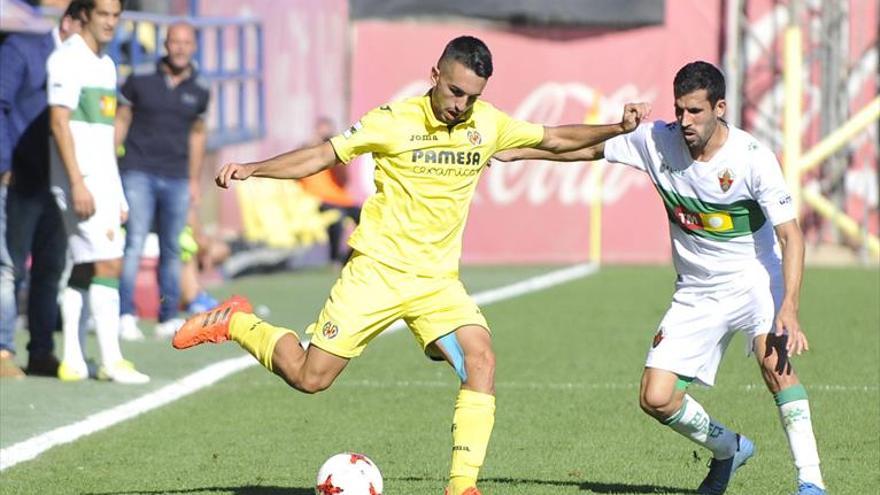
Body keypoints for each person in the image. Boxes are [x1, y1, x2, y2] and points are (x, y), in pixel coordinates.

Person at [172, 35, 649, 495]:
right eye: (455, 91)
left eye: (472, 96)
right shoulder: (392, 120)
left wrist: (617, 129)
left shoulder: (487, 123)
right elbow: (322, 155)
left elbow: (555, 140)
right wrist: (256, 168)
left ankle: (462, 485)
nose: (461, 105)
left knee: (481, 358)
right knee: (309, 377)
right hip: (376, 272)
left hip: (436, 282)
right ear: (435, 74)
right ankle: (236, 321)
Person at [494, 61, 825, 495]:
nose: (684, 122)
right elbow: (582, 148)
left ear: (720, 107)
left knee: (774, 364)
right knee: (656, 397)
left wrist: (790, 307)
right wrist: (520, 151)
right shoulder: (657, 141)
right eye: (679, 110)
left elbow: (791, 236)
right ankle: (730, 448)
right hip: (696, 291)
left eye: (695, 112)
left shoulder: (752, 159)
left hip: (755, 281)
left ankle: (811, 482)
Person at [48, 0, 148, 383]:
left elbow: (104, 137)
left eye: (115, 15)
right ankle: (111, 360)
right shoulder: (66, 59)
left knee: (86, 264)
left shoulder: (105, 65)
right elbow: (59, 124)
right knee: (109, 263)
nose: (110, 22)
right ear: (85, 14)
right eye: (103, 14)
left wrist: (117, 192)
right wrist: (76, 182)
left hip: (103, 181)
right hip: (81, 182)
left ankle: (72, 360)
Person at [0, 1, 88, 378]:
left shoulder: (90, 63)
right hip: (22, 178)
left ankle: (40, 351)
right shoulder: (22, 49)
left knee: (50, 270)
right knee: (9, 267)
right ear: (69, 22)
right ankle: (3, 351)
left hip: (61, 186)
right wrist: (3, 164)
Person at [114, 21, 210, 340]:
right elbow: (122, 121)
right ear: (165, 45)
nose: (180, 47)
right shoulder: (140, 80)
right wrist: (111, 163)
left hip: (177, 177)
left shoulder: (200, 90)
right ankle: (124, 313)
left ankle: (167, 315)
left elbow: (197, 136)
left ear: (193, 47)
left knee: (172, 248)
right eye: (175, 41)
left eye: (186, 42)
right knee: (134, 243)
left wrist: (194, 180)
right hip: (137, 171)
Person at [298, 116, 361, 266]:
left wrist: (334, 146)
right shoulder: (308, 150)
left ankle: (349, 257)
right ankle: (334, 259)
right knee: (336, 219)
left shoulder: (334, 153)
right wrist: (316, 142)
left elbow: (345, 179)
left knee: (367, 217)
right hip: (319, 199)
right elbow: (298, 160)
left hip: (341, 199)